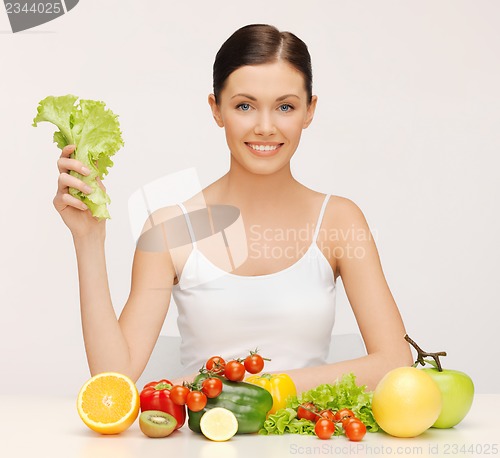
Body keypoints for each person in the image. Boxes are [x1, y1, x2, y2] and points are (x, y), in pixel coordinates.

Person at [53, 24, 412, 392]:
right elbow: (113, 380)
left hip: (305, 444)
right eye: (245, 106)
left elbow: (395, 363)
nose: (266, 127)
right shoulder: (170, 228)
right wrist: (89, 239)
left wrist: (235, 386)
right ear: (217, 109)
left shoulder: (339, 220)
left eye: (285, 106)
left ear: (309, 111)